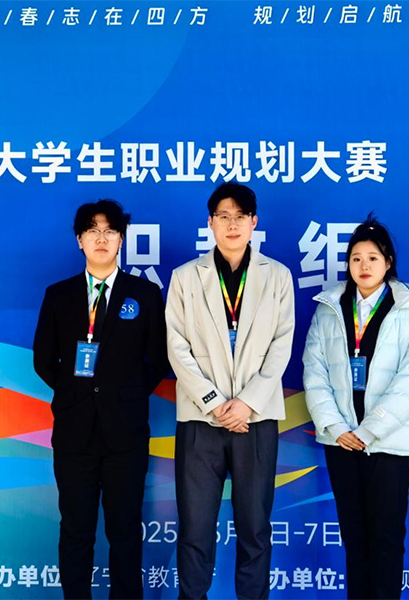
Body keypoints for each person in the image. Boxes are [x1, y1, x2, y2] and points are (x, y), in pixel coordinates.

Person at [33, 199, 170, 600]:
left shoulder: (144, 294)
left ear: (121, 240)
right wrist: (75, 393)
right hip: (74, 433)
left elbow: (158, 359)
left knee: (124, 531)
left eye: (110, 231)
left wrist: (125, 394)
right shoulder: (58, 295)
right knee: (76, 531)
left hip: (125, 433)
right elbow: (43, 359)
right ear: (79, 240)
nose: (101, 239)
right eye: (92, 231)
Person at [166, 182, 295, 600]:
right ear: (211, 223)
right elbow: (177, 348)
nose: (232, 224)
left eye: (240, 216)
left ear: (254, 222)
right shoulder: (186, 277)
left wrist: (247, 404)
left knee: (255, 528)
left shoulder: (277, 276)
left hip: (256, 421)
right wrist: (216, 404)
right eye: (224, 216)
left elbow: (281, 346)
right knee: (195, 528)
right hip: (200, 421)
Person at [302, 215, 409, 600]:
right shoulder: (329, 307)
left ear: (388, 262)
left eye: (373, 258)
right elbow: (314, 372)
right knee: (355, 541)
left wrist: (369, 430)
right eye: (356, 258)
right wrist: (336, 427)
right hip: (341, 442)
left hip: (388, 443)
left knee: (386, 541)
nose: (364, 266)